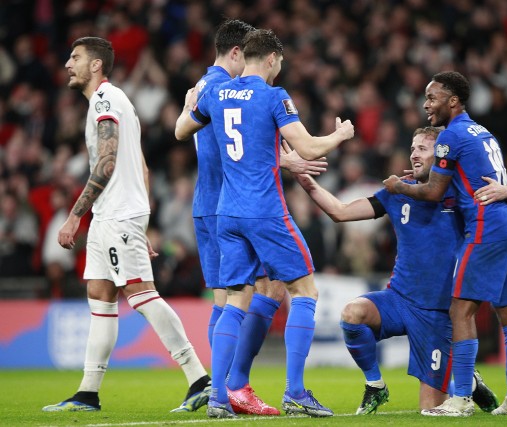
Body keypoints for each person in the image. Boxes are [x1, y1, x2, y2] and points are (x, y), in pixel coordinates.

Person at [175, 29, 354, 418]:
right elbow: (306, 147)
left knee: (235, 299)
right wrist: (340, 135)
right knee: (305, 290)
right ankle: (296, 393)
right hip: (265, 210)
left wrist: (188, 106)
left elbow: (180, 130)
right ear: (271, 59)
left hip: (226, 212)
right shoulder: (275, 96)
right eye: (280, 63)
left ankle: (220, 398)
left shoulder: (216, 93)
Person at [295, 127, 507, 415]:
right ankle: (375, 385)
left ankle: (467, 382)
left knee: (429, 410)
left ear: (443, 156)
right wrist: (307, 183)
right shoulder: (397, 191)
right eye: (413, 147)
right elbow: (341, 212)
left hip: (437, 314)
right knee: (352, 315)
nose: (414, 154)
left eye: (423, 148)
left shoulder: (460, 193)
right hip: (399, 298)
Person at [42, 37, 210, 413]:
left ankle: (199, 377)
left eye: (75, 58)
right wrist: (142, 221)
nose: (68, 64)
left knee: (141, 294)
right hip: (115, 216)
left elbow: (107, 161)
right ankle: (87, 392)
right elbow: (144, 168)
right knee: (101, 296)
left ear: (97, 65)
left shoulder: (104, 101)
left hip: (115, 213)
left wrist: (74, 216)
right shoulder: (119, 102)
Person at [384, 71, 507, 417]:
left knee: (460, 310)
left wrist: (398, 186)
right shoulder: (483, 132)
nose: (426, 104)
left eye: (432, 97)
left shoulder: (450, 137)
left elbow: (435, 191)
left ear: (453, 101)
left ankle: (462, 397)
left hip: (487, 228)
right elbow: (499, 186)